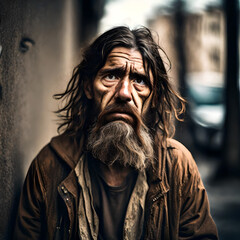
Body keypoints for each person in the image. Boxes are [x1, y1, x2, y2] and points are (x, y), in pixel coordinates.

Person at [13, 26, 218, 240]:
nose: (124, 93)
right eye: (111, 75)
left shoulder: (177, 167)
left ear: (154, 98)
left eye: (139, 80)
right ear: (88, 87)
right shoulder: (48, 167)